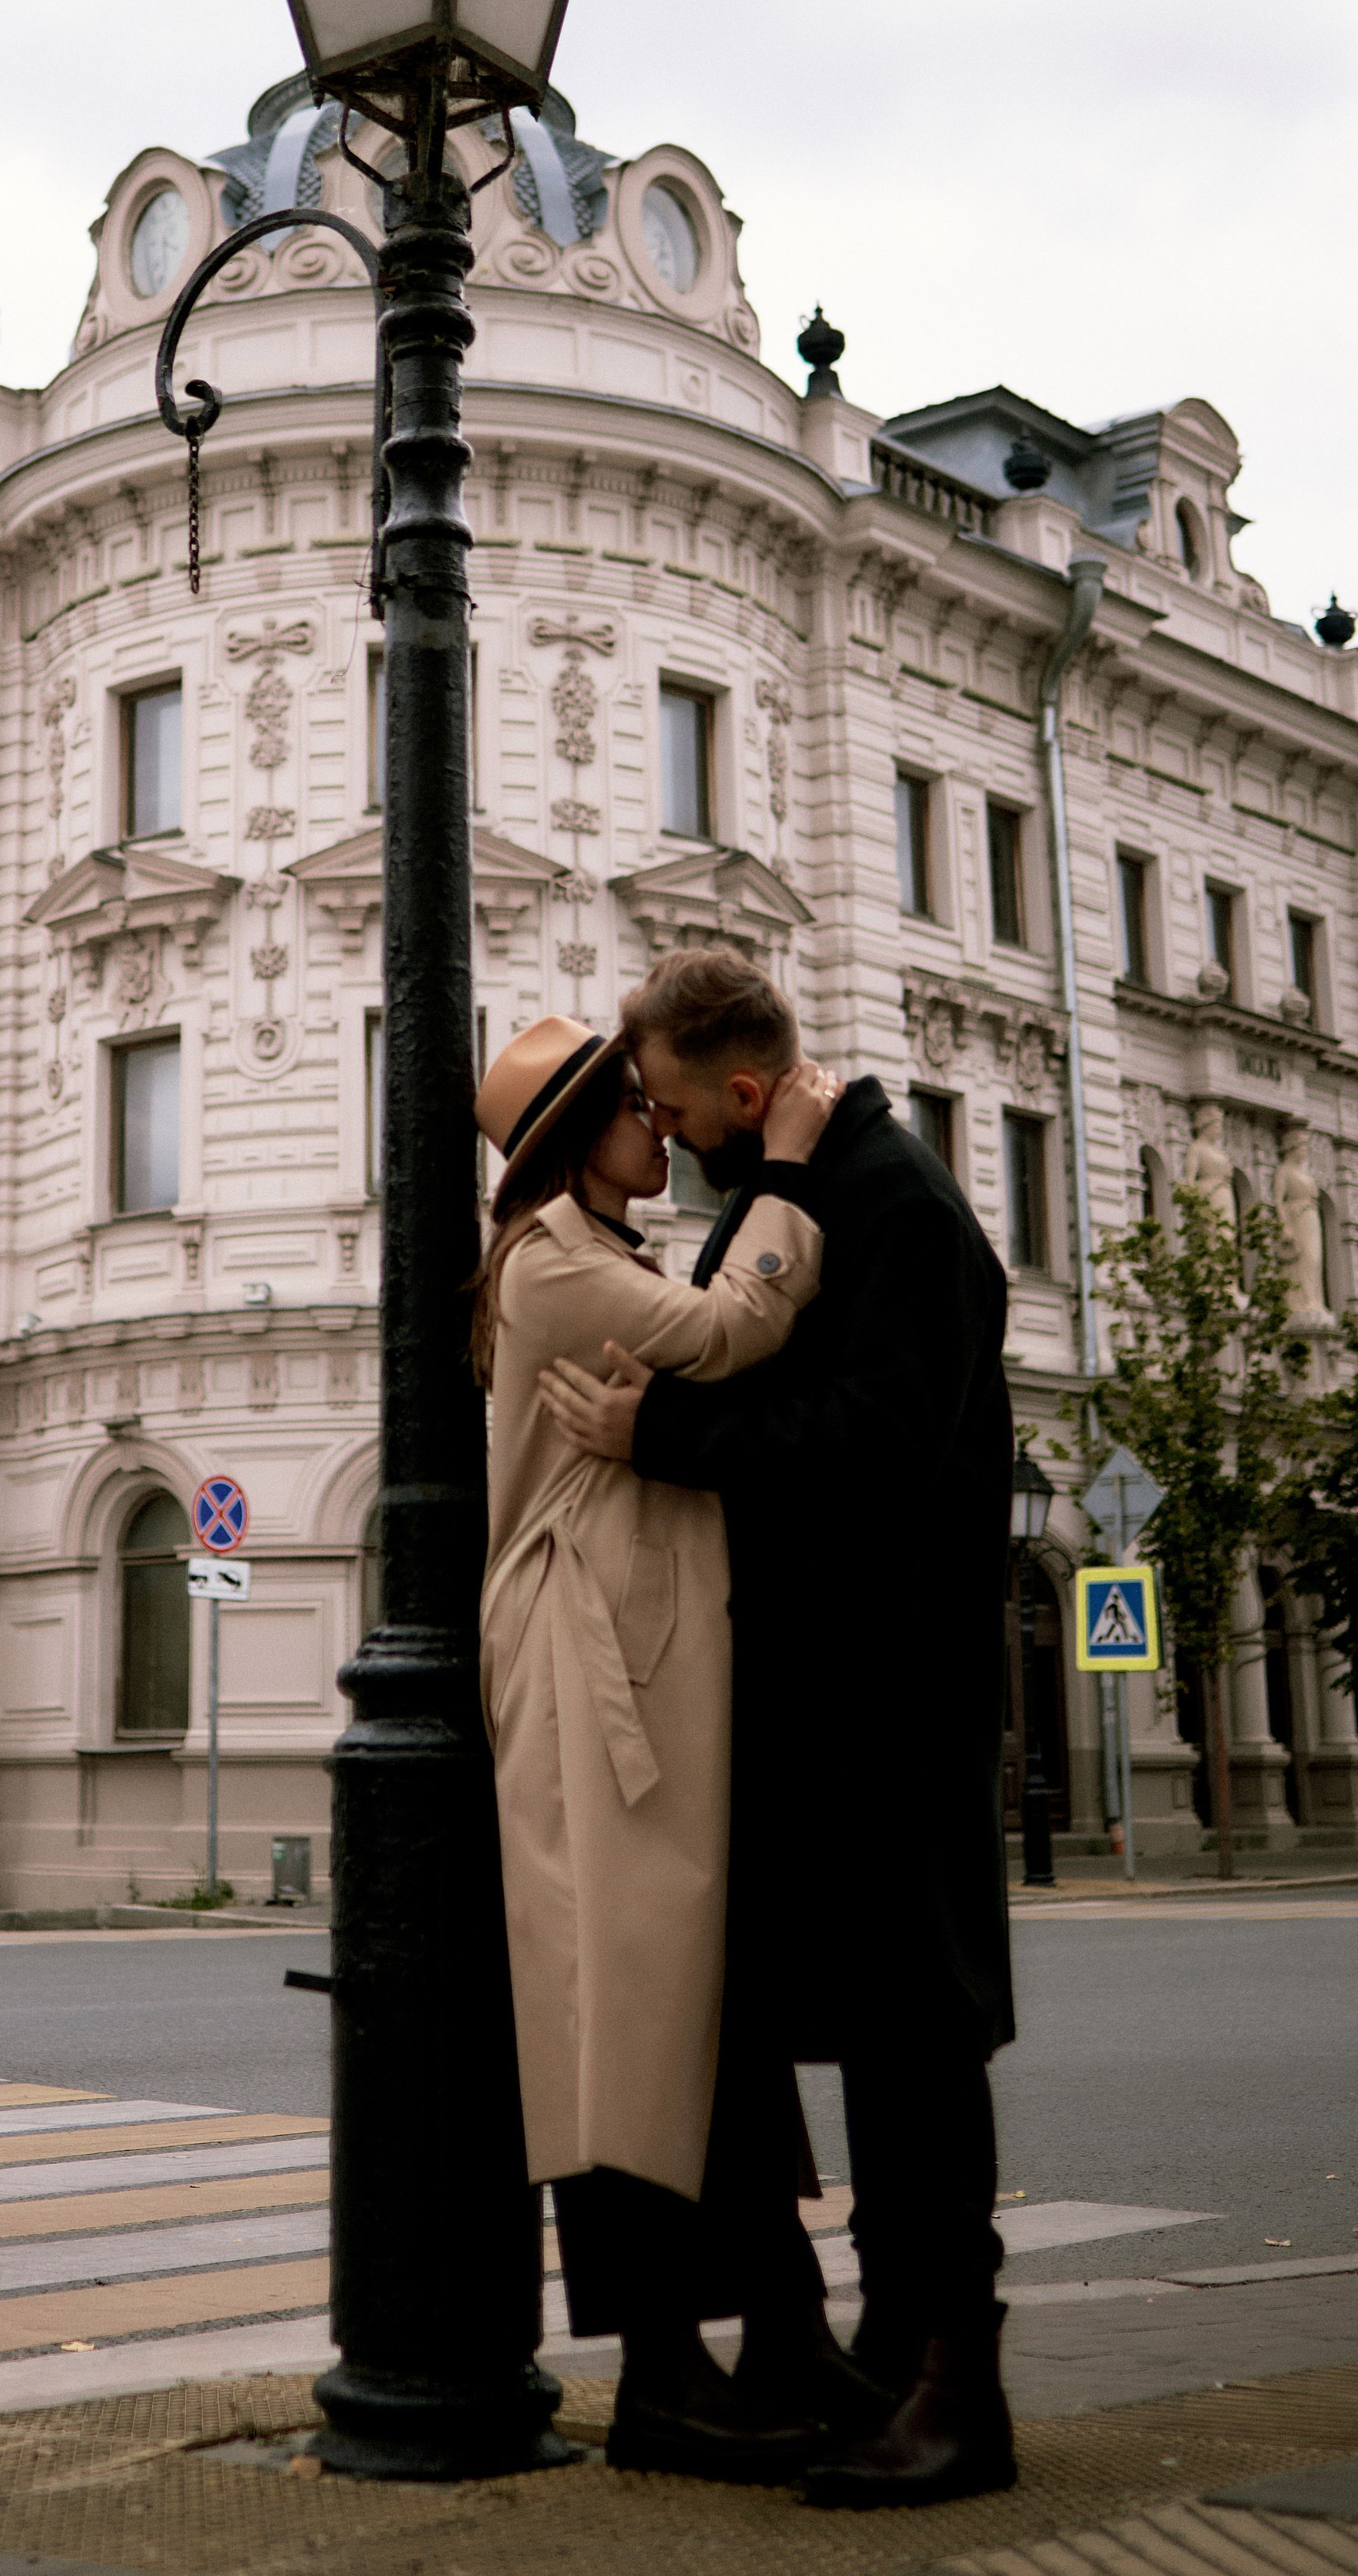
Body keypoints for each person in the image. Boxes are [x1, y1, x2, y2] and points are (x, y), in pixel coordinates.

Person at [540, 948, 1018, 2508]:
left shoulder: (897, 1210)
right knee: (859, 2033)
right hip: (820, 1690)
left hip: (889, 1693)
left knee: (910, 2043)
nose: (663, 1137)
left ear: (744, 1097)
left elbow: (871, 1439)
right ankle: (876, 2354)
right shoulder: (828, 1189)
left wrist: (658, 1434)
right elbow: (752, 1319)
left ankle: (957, 2389)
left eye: (675, 1109)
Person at [471, 1012, 863, 2480]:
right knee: (620, 2014)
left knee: (685, 2006)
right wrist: (794, 1172)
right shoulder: (558, 1265)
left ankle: (775, 2331)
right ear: (583, 1136)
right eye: (634, 1107)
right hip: (588, 1675)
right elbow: (733, 1329)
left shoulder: (598, 1253)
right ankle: (659, 2378)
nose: (658, 1123)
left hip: (629, 1660)